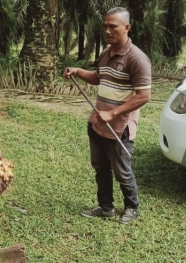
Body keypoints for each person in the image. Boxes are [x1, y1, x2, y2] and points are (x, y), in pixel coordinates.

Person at [64, 7, 151, 224]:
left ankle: (132, 207)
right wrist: (78, 71)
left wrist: (113, 113)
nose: (107, 30)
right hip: (98, 123)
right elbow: (98, 77)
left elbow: (144, 96)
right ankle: (106, 208)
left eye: (113, 26)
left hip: (119, 127)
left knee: (122, 171)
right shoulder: (106, 52)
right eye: (105, 26)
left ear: (127, 27)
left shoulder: (137, 59)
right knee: (101, 168)